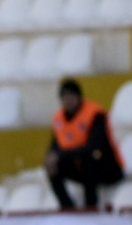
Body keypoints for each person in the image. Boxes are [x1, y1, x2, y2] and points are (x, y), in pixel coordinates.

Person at [45, 78, 124, 210]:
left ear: (78, 96)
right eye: (64, 97)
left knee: (89, 159)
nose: (68, 101)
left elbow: (94, 147)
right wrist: (52, 157)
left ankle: (90, 208)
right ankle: (67, 207)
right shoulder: (59, 118)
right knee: (52, 164)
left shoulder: (95, 114)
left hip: (106, 167)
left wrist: (61, 155)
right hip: (79, 167)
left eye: (71, 96)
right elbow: (55, 146)